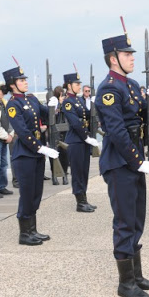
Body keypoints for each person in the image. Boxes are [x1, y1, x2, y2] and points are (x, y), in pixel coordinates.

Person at [95, 34, 149, 297]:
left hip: (134, 162)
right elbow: (117, 131)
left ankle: (136, 275)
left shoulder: (132, 85)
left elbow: (142, 120)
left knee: (137, 218)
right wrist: (139, 161)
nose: (132, 57)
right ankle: (125, 283)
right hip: (120, 163)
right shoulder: (109, 89)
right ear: (113, 59)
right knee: (124, 222)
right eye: (127, 54)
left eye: (132, 54)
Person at [3, 65, 59, 246]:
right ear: (12, 85)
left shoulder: (32, 99)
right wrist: (40, 147)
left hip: (36, 153)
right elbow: (22, 131)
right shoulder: (13, 104)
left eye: (25, 79)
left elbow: (47, 115)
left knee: (36, 193)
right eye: (21, 80)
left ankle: (32, 230)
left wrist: (53, 106)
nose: (25, 82)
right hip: (25, 153)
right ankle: (24, 233)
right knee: (27, 194)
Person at [62, 71, 101, 212]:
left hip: (83, 141)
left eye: (79, 83)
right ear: (69, 85)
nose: (79, 86)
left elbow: (88, 116)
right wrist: (86, 137)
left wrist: (95, 105)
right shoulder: (67, 102)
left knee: (84, 171)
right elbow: (75, 122)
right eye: (76, 84)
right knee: (78, 172)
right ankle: (80, 202)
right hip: (76, 141)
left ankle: (84, 199)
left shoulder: (78, 100)